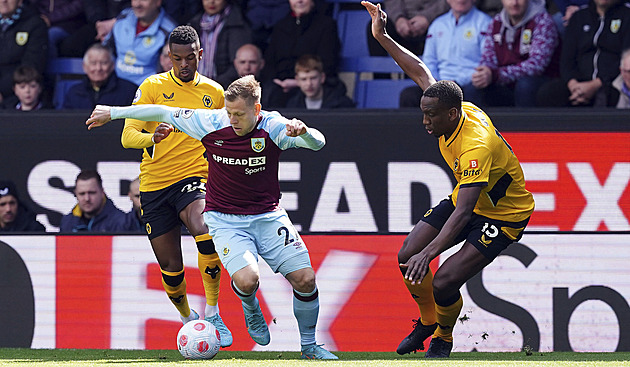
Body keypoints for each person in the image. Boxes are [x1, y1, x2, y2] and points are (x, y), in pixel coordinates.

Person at [85, 75, 338, 359]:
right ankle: (251, 307)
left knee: (305, 280)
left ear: (257, 110)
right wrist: (114, 113)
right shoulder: (211, 122)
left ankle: (309, 347)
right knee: (247, 280)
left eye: (240, 114)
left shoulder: (275, 127)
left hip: (268, 216)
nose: (232, 120)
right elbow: (160, 111)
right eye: (229, 113)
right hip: (226, 219)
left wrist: (303, 131)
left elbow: (318, 143)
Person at [363, 1, 534, 358]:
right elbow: (421, 70)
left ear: (451, 113)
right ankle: (427, 322)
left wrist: (432, 252)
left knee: (442, 279)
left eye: (430, 116)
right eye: (423, 113)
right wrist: (383, 37)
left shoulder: (476, 146)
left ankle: (443, 336)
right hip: (470, 197)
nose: (425, 121)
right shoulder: (449, 105)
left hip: (503, 215)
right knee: (406, 254)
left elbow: (464, 213)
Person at [111, 25, 233, 347]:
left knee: (205, 227)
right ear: (169, 56)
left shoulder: (215, 93)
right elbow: (127, 136)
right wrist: (152, 137)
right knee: (171, 268)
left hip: (195, 176)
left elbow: (223, 138)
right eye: (177, 58)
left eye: (189, 58)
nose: (183, 64)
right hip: (154, 185)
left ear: (200, 55)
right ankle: (187, 317)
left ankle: (213, 311)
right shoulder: (151, 86)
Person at [536, 0, 630, 107]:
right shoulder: (579, 17)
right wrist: (573, 84)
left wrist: (595, 85)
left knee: (608, 95)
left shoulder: (627, 16)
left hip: (611, 83)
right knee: (549, 93)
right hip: (578, 83)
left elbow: (625, 59)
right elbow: (567, 60)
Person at [466, 0, 559, 107]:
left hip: (541, 82)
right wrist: (485, 73)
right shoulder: (496, 22)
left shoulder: (543, 21)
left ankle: (526, 124)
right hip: (505, 83)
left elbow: (536, 66)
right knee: (474, 87)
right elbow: (488, 57)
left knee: (525, 85)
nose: (514, 3)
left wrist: (496, 75)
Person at [399, 0, 491, 107]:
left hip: (469, 84)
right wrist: (437, 83)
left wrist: (455, 83)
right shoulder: (437, 25)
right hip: (439, 85)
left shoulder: (486, 23)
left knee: (473, 93)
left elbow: (485, 62)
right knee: (409, 95)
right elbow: (429, 61)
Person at [261, 0, 342, 108]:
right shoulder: (280, 26)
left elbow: (328, 63)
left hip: (313, 84)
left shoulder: (327, 25)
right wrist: (278, 82)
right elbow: (270, 61)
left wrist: (299, 82)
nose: (299, 1)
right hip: (281, 87)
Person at [104, 0, 176, 86]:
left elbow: (166, 70)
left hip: (147, 91)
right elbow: (106, 50)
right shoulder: (123, 17)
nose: (137, 4)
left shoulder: (169, 31)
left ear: (158, 2)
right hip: (114, 87)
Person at [189, 0, 252, 89]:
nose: (211, 2)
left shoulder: (237, 24)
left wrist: (212, 85)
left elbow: (237, 66)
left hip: (224, 89)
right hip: (195, 86)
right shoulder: (194, 23)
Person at [0, 0, 48, 106]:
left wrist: (3, 91)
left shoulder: (35, 24)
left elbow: (31, 66)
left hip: (16, 94)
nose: (3, 1)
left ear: (20, 1)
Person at [62, 44, 138, 110]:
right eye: (93, 63)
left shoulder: (129, 91)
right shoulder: (74, 92)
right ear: (84, 67)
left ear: (112, 65)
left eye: (104, 63)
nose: (98, 68)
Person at [60, 170, 138, 232]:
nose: (87, 198)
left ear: (102, 192)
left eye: (92, 193)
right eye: (82, 194)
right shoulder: (67, 222)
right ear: (75, 194)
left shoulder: (122, 222)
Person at [367, 0, 449, 58]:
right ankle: (382, 79)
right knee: (376, 26)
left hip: (437, 18)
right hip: (402, 20)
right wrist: (398, 19)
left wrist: (427, 17)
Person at [286, 54, 355, 109]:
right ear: (297, 81)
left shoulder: (341, 103)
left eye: (313, 78)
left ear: (322, 78)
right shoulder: (292, 105)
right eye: (304, 79)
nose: (309, 84)